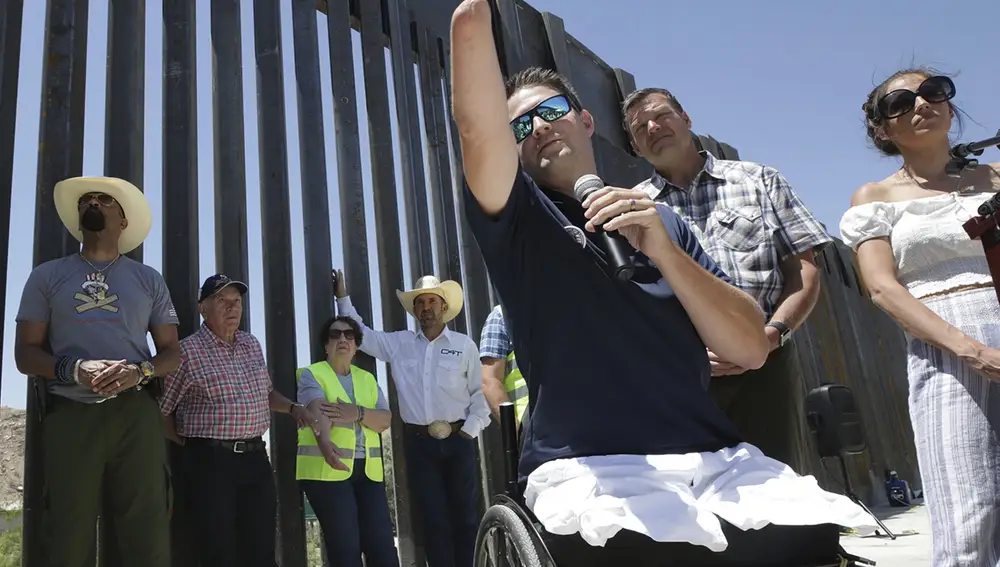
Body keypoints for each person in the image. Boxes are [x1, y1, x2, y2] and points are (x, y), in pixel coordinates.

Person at [449, 2, 878, 565]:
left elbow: (749, 347)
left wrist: (663, 250)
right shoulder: (519, 219)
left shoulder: (666, 222)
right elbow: (476, 117)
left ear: (585, 122)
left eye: (550, 110)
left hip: (710, 458)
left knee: (812, 543)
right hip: (591, 467)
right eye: (520, 127)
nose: (538, 128)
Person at [620, 87, 832, 469]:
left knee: (773, 489)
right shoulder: (632, 208)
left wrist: (772, 335)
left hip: (764, 366)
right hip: (679, 377)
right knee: (687, 500)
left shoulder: (760, 181)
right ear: (635, 147)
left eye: (661, 115)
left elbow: (805, 271)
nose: (652, 127)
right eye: (639, 127)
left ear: (686, 119)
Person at [839, 68, 1000, 566]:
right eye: (900, 102)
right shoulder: (875, 197)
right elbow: (883, 289)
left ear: (950, 108)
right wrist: (972, 350)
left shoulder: (995, 177)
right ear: (883, 130)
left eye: (933, 93)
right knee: (969, 506)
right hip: (946, 346)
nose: (921, 104)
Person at [14, 176, 180, 567]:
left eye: (104, 199)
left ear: (123, 221)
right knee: (67, 535)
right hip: (71, 414)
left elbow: (173, 353)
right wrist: (74, 369)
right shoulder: (47, 276)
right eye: (87, 199)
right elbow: (25, 355)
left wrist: (139, 372)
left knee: (147, 532)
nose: (94, 202)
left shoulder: (147, 279)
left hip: (136, 414)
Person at [333, 269, 490, 567]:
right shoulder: (399, 344)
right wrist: (342, 297)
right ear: (415, 310)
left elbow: (479, 394)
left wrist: (469, 430)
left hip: (459, 441)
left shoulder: (464, 345)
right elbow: (362, 334)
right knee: (433, 521)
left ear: (443, 307)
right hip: (419, 444)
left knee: (466, 518)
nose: (426, 307)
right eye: (420, 303)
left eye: (432, 301)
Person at [159, 274, 313, 567]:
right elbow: (162, 410)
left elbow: (266, 393)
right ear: (203, 308)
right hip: (209, 464)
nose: (232, 307)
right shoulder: (187, 352)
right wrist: (188, 443)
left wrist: (293, 408)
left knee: (262, 550)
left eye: (237, 301)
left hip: (255, 461)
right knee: (218, 552)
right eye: (222, 301)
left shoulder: (250, 344)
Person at [295, 315, 400, 567]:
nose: (342, 338)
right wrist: (325, 443)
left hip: (369, 473)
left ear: (355, 346)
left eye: (348, 335)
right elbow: (318, 410)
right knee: (345, 550)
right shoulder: (311, 374)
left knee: (383, 548)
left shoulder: (368, 379)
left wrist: (357, 413)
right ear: (326, 345)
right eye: (335, 334)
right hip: (328, 471)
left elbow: (385, 420)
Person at [479, 304, 527, 425]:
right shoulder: (501, 316)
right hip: (529, 427)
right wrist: (514, 432)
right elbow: (489, 380)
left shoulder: (571, 308)